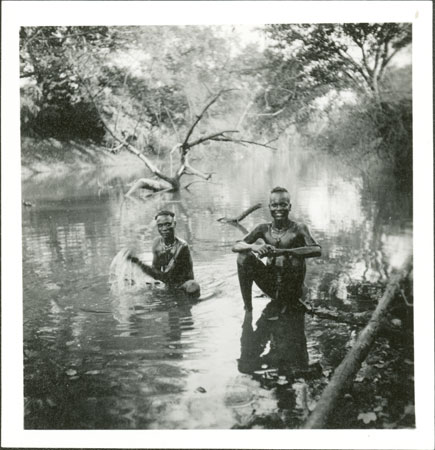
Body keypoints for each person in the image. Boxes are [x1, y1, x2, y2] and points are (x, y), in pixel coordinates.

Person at [232, 186, 321, 315]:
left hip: (292, 289)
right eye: (274, 205)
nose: (278, 209)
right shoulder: (263, 229)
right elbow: (236, 246)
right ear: (270, 207)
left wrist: (284, 251)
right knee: (243, 257)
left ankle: (291, 302)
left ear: (289, 207)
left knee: (296, 256)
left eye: (283, 205)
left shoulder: (299, 228)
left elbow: (317, 250)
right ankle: (248, 309)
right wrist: (255, 247)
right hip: (271, 285)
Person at [127, 210, 200, 298]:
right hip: (167, 282)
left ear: (174, 224)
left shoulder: (182, 247)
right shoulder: (157, 243)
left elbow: (166, 276)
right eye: (160, 225)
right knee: (130, 282)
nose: (164, 228)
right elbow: (155, 270)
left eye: (168, 224)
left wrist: (138, 263)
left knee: (193, 286)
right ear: (157, 227)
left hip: (182, 284)